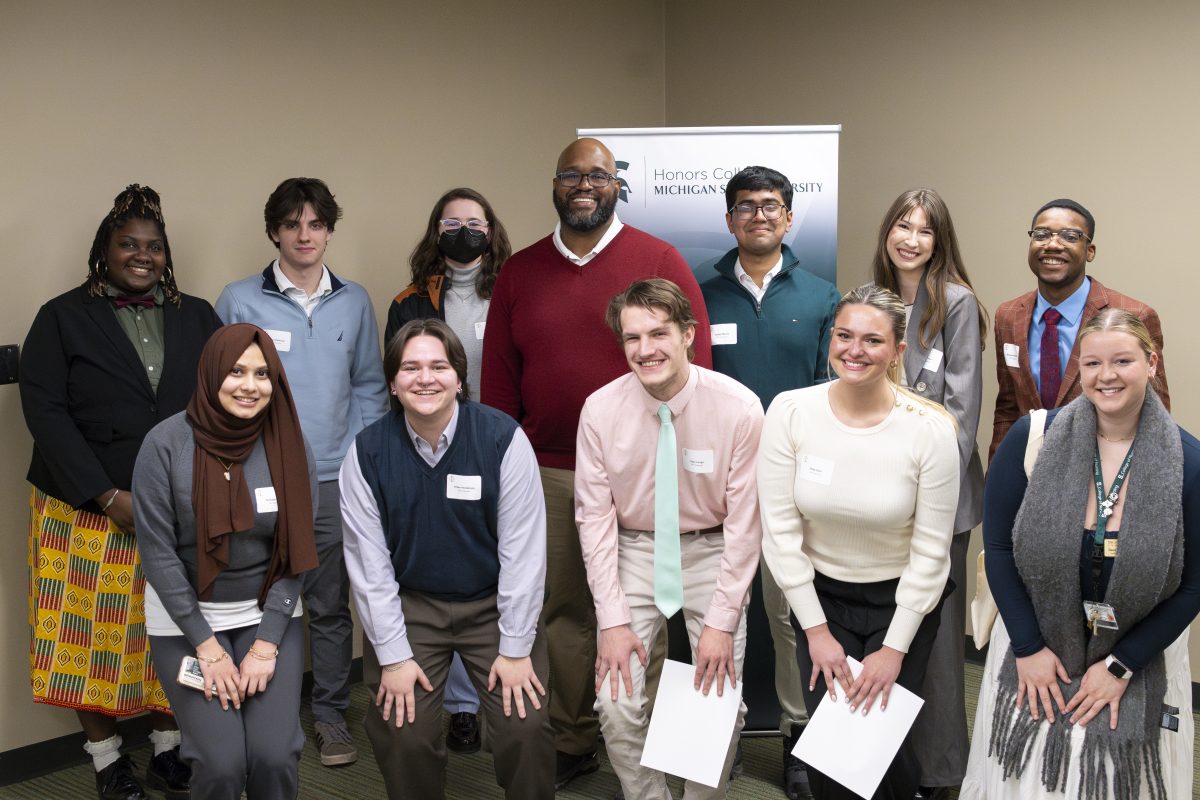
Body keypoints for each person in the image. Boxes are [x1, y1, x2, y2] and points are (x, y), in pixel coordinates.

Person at [481, 136, 713, 788]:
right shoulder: (521, 272)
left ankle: (649, 743)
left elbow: (697, 371)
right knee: (563, 612)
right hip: (546, 472)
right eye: (572, 175)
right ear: (556, 185)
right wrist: (506, 468)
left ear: (618, 184)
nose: (584, 185)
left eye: (598, 175)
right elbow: (497, 386)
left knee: (649, 611)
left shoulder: (659, 259)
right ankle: (574, 735)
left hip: (642, 473)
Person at [20, 184, 220, 800]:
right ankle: (108, 760)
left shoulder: (199, 314)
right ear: (103, 250)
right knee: (83, 636)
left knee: (175, 627)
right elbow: (45, 411)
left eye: (153, 246)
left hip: (177, 505)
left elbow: (224, 401)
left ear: (167, 254)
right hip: (79, 511)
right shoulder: (62, 316)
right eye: (127, 243)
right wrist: (107, 496)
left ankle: (166, 748)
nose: (141, 254)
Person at [963, 309, 1199, 799]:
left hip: (1140, 652)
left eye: (1122, 361)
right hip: (1033, 646)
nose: (1105, 376)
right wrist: (1027, 649)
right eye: (1091, 363)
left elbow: (1195, 583)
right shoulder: (1033, 440)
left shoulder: (1188, 462)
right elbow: (1000, 547)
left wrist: (1122, 665)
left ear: (1151, 364)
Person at [758, 284, 960, 799]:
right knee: (833, 749)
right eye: (844, 335)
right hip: (821, 599)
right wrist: (817, 632)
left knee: (882, 744)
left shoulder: (931, 430)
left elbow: (932, 553)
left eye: (872, 340)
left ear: (897, 351)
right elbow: (781, 533)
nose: (854, 350)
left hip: (902, 603)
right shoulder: (790, 411)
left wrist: (894, 648)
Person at [340, 319, 554, 799]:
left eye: (438, 366)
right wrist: (393, 657)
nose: (425, 378)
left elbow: (524, 554)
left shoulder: (503, 440)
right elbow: (368, 567)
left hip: (494, 607)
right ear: (393, 383)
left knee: (525, 725)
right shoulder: (367, 453)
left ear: (459, 376)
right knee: (402, 728)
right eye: (410, 367)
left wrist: (517, 648)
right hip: (412, 607)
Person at [216, 177, 388, 767]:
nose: (304, 235)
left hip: (332, 482)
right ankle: (268, 718)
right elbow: (221, 391)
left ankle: (333, 718)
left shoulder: (355, 300)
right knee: (259, 601)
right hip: (261, 479)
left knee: (329, 605)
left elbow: (368, 385)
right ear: (275, 232)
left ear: (330, 230)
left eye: (315, 224)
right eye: (293, 224)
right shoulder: (239, 300)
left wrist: (360, 466)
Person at [576, 278, 761, 800]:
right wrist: (610, 618)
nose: (645, 349)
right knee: (615, 700)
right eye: (632, 338)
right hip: (633, 551)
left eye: (658, 333)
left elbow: (747, 525)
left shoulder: (740, 408)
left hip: (713, 550)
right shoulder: (600, 410)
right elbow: (593, 520)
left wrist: (722, 622)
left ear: (688, 334)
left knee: (718, 696)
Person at [700, 165, 840, 799]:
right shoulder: (699, 294)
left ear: (789, 217)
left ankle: (799, 738)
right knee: (712, 614)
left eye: (771, 205)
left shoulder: (821, 296)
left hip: (792, 486)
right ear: (730, 219)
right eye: (746, 206)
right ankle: (713, 737)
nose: (759, 215)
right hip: (715, 485)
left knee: (789, 617)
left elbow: (830, 391)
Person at [133, 324, 318, 800]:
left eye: (263, 373)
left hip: (268, 616)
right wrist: (207, 646)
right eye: (236, 370)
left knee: (274, 754)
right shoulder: (165, 444)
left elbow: (296, 551)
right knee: (220, 763)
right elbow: (157, 553)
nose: (250, 385)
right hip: (185, 623)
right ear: (212, 372)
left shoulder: (291, 445)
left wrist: (266, 645)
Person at [383, 188, 512, 753]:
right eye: (451, 221)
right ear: (436, 231)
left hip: (499, 444)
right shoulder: (410, 300)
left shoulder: (512, 290)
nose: (464, 230)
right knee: (445, 570)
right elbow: (399, 373)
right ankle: (460, 706)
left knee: (499, 568)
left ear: (492, 229)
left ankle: (500, 691)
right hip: (433, 444)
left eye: (474, 222)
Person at [870, 188, 988, 797]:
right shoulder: (873, 302)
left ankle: (943, 775)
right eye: (900, 225)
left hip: (938, 501)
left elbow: (961, 412)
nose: (909, 239)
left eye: (923, 230)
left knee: (937, 646)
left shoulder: (958, 304)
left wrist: (918, 486)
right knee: (886, 638)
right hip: (875, 501)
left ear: (940, 241)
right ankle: (887, 766)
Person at [990, 198, 1169, 460]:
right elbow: (1007, 408)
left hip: (1105, 470)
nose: (1052, 244)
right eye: (1041, 235)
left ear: (1090, 251)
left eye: (1069, 236)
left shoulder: (1134, 316)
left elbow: (1156, 413)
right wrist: (997, 476)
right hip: (1030, 471)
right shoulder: (1008, 316)